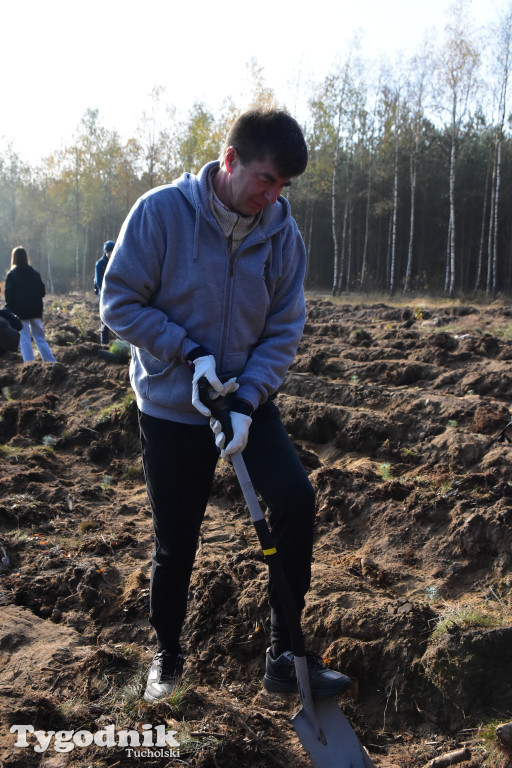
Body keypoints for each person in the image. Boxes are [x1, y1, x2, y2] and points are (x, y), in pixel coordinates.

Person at [100, 107, 351, 703]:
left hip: (244, 399)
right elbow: (118, 302)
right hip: (172, 403)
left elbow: (284, 328)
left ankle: (286, 657)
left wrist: (248, 401)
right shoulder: (161, 213)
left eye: (284, 187)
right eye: (266, 179)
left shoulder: (282, 234)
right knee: (177, 538)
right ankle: (166, 656)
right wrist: (188, 353)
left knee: (294, 497)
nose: (273, 196)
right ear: (230, 160)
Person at [4, 246, 56, 363]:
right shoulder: (35, 273)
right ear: (26, 258)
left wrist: (10, 310)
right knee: (40, 338)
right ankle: (51, 362)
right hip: (36, 311)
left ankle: (29, 363)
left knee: (24, 340)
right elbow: (42, 292)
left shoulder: (12, 274)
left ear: (14, 258)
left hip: (20, 312)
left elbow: (9, 295)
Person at [94, 241, 115, 345]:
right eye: (109, 251)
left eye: (112, 251)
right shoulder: (100, 264)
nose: (110, 253)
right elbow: (99, 282)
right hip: (104, 296)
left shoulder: (117, 262)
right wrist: (107, 292)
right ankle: (105, 343)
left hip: (117, 295)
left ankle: (120, 344)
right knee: (105, 320)